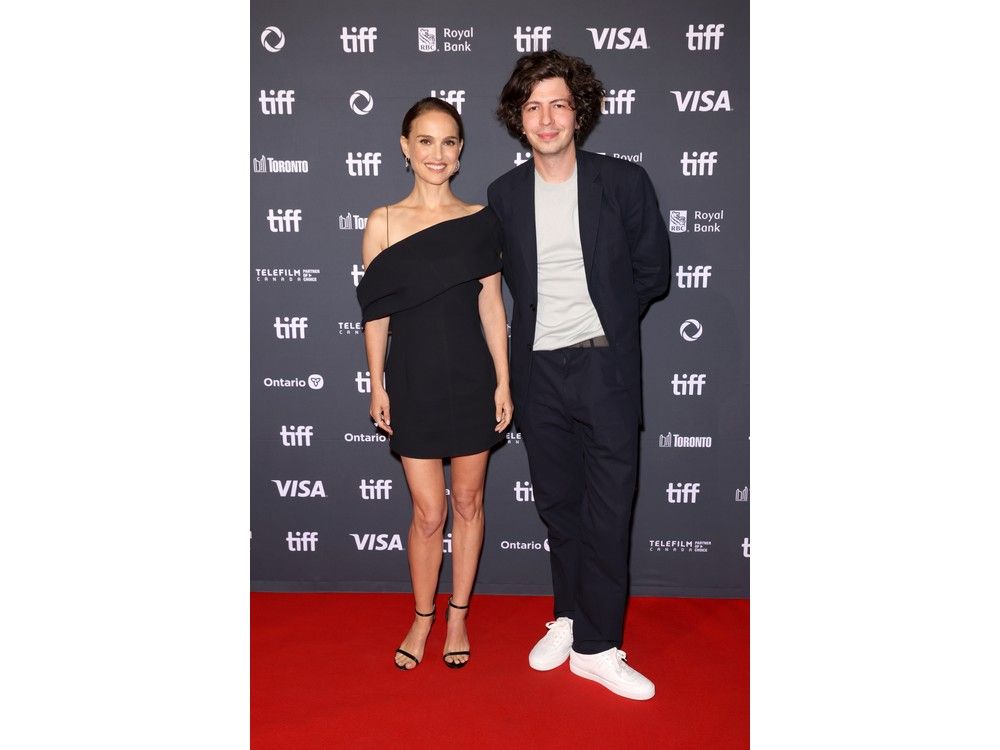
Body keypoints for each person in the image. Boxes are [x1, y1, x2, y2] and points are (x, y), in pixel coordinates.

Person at [487, 51, 671, 700]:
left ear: (580, 111)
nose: (546, 117)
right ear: (519, 118)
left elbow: (653, 273)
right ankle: (567, 618)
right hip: (539, 373)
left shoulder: (622, 183)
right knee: (559, 508)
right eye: (532, 106)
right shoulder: (504, 195)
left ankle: (598, 646)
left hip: (604, 368)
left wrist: (608, 322)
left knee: (608, 509)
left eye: (558, 103)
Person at [357, 98, 512, 671]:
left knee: (468, 503)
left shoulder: (480, 219)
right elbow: (376, 315)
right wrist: (377, 383)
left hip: (472, 377)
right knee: (428, 512)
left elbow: (493, 307)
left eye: (448, 142)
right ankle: (422, 617)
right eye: (425, 141)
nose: (437, 154)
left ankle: (458, 616)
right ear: (405, 146)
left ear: (461, 149)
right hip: (413, 380)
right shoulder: (384, 222)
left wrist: (503, 380)